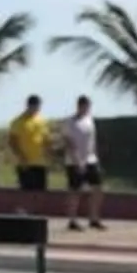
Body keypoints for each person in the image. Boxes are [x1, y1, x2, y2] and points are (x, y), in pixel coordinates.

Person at [60, 95, 106, 231]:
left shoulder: (90, 121)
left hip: (91, 159)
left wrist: (97, 158)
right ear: (78, 106)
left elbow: (93, 141)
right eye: (83, 106)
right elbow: (69, 143)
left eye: (87, 106)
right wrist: (77, 161)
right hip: (74, 162)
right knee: (75, 191)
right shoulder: (70, 122)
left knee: (98, 188)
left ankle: (94, 218)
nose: (86, 108)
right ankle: (72, 220)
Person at [8, 93, 53, 195]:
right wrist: (21, 156)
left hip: (40, 162)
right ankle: (24, 210)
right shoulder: (18, 121)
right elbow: (12, 141)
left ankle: (38, 210)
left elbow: (46, 139)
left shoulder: (42, 121)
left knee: (41, 191)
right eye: (34, 106)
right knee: (27, 191)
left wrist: (49, 153)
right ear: (28, 106)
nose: (36, 109)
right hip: (26, 163)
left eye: (38, 106)